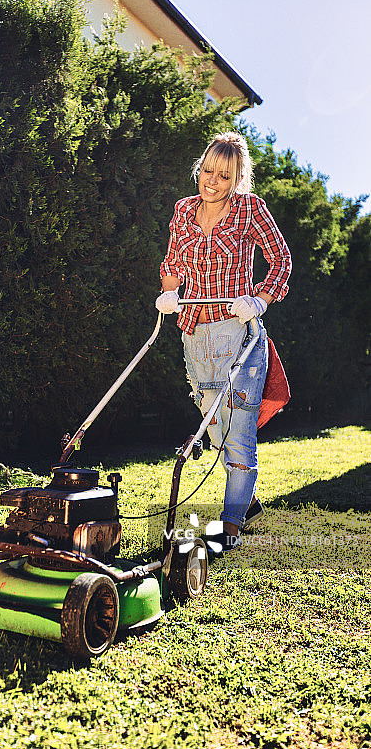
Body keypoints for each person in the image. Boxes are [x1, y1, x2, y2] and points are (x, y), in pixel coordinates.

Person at [156, 131, 291, 552]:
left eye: (224, 175)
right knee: (214, 427)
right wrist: (169, 290)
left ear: (238, 179)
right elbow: (172, 263)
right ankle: (246, 500)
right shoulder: (183, 210)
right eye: (208, 171)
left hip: (238, 332)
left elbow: (281, 259)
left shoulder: (250, 209)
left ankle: (230, 522)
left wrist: (260, 299)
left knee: (239, 428)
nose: (212, 181)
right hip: (194, 332)